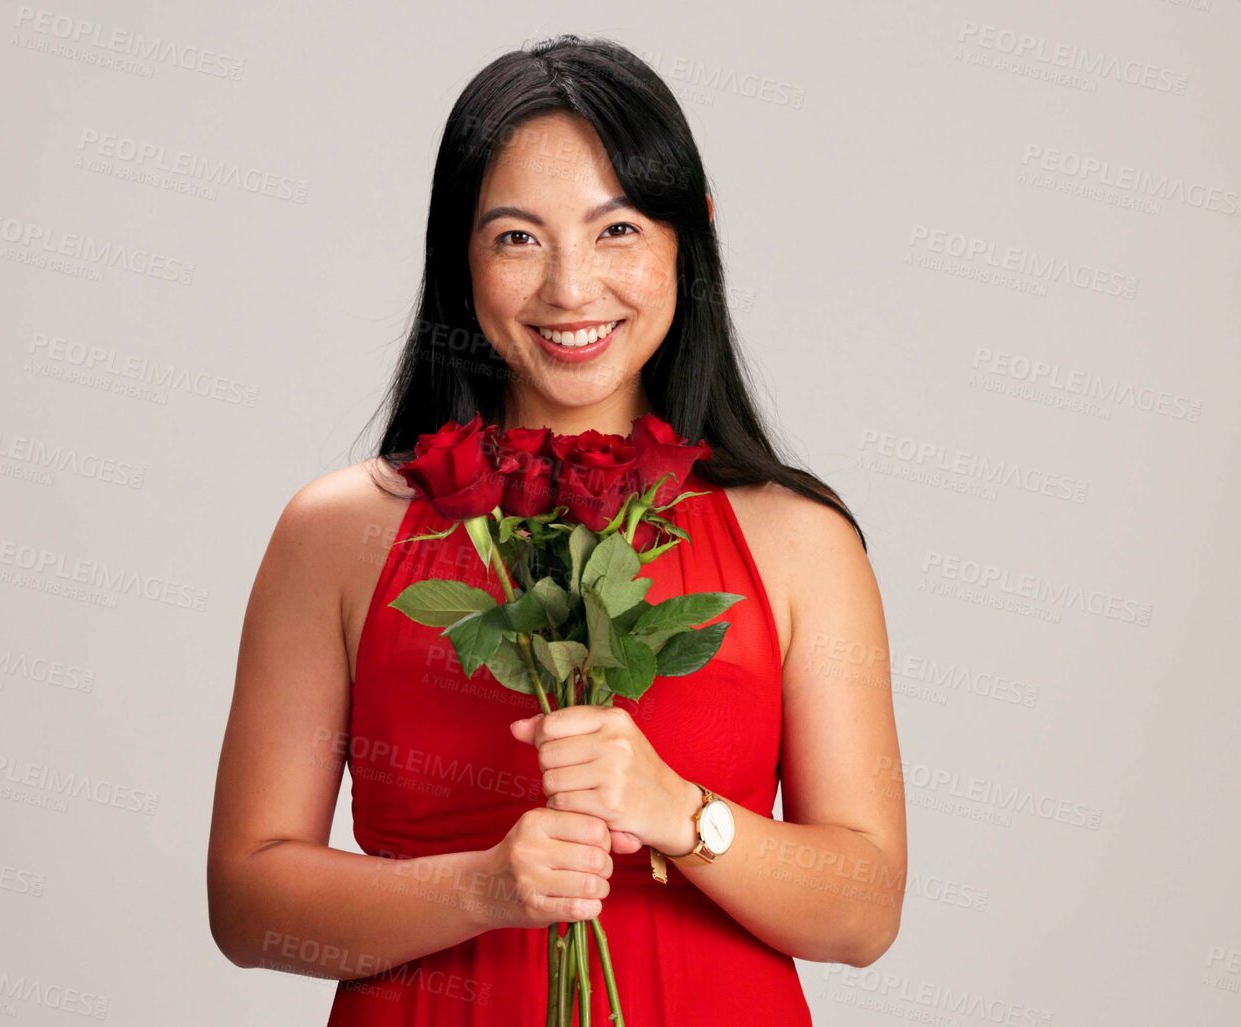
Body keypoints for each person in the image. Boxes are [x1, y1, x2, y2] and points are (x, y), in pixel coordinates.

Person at [207, 34, 905, 1024]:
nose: (571, 289)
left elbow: (865, 911)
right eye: (517, 238)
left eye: (616, 230)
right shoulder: (336, 533)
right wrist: (480, 890)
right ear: (462, 258)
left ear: (687, 238)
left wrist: (678, 812)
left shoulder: (800, 541)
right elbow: (246, 901)